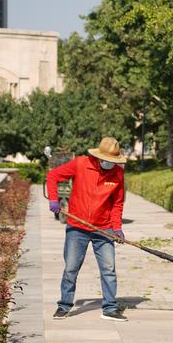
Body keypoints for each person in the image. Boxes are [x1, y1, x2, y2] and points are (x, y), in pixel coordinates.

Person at [46, 137, 127, 322]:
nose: (111, 164)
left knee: (109, 269)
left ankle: (110, 308)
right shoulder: (81, 164)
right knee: (71, 268)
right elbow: (53, 176)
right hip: (77, 228)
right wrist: (53, 198)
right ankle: (64, 305)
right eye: (108, 160)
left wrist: (117, 227)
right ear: (99, 157)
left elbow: (117, 203)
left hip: (103, 229)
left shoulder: (117, 175)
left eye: (114, 161)